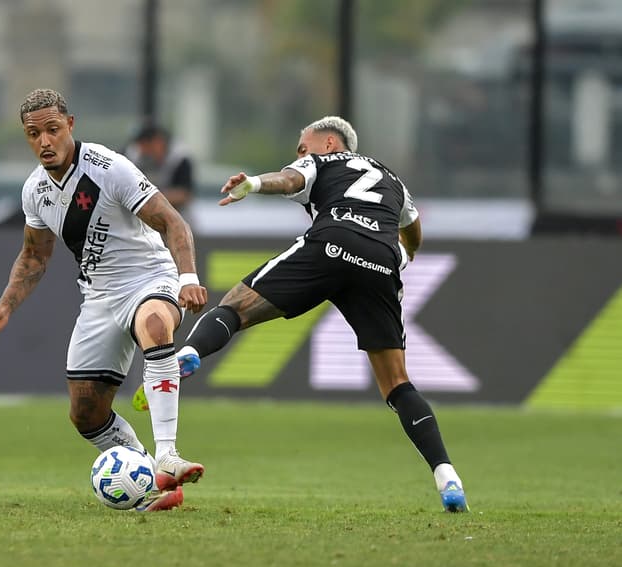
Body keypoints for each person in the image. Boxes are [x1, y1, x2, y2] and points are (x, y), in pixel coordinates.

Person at [133, 115, 470, 513]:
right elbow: (411, 227)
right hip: (381, 263)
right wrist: (407, 254)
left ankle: (189, 354)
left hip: (331, 243)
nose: (299, 152)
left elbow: (289, 180)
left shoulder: (325, 162)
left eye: (303, 144)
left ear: (330, 142)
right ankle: (448, 477)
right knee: (397, 384)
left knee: (235, 307)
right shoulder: (393, 180)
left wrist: (253, 184)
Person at [0, 89, 209, 511]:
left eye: (53, 130)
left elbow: (173, 222)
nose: (44, 141)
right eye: (33, 134)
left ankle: (167, 454)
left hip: (149, 276)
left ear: (71, 126)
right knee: (85, 413)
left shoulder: (109, 168)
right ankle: (150, 482)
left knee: (154, 324)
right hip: (98, 296)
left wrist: (188, 277)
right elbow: (35, 255)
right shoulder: (35, 192)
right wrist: (5, 306)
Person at [125, 120, 195, 216]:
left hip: (178, 216)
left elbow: (184, 194)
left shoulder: (180, 157)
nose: (143, 150)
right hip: (142, 220)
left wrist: (149, 197)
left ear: (158, 141)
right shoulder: (132, 155)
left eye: (147, 144)